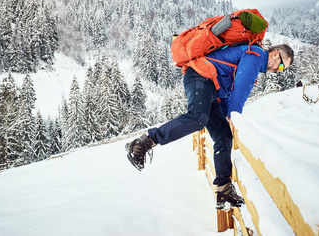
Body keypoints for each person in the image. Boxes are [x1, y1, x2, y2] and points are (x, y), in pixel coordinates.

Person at [126, 41, 294, 209]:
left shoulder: (253, 58)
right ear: (274, 53)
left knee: (224, 135)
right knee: (198, 118)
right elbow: (241, 88)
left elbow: (227, 92)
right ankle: (145, 141)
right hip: (200, 75)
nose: (277, 71)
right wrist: (234, 115)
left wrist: (228, 116)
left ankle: (224, 190)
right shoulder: (256, 55)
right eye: (280, 66)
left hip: (211, 87)